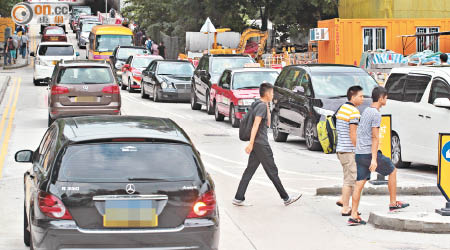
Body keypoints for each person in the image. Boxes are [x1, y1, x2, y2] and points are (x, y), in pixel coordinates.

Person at [233, 83, 302, 206]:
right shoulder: (261, 107)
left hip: (257, 144)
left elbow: (268, 124)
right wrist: (251, 143)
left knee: (249, 171)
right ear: (267, 93)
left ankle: (238, 198)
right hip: (261, 144)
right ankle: (286, 198)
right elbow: (256, 125)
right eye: (272, 93)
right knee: (272, 171)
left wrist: (268, 106)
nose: (273, 95)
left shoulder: (259, 104)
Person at [348, 87, 410, 226]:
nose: (386, 100)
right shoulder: (375, 114)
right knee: (393, 170)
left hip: (360, 153)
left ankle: (353, 215)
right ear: (381, 98)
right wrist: (374, 159)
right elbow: (375, 137)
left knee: (359, 184)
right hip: (369, 153)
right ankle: (393, 203)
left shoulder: (366, 111)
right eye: (386, 98)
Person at [335, 86, 364, 216]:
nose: (363, 99)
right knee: (352, 181)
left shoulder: (343, 108)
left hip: (341, 149)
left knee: (348, 178)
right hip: (349, 150)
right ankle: (346, 207)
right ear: (353, 97)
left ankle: (344, 200)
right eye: (361, 96)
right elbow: (353, 134)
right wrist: (360, 149)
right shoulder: (354, 112)